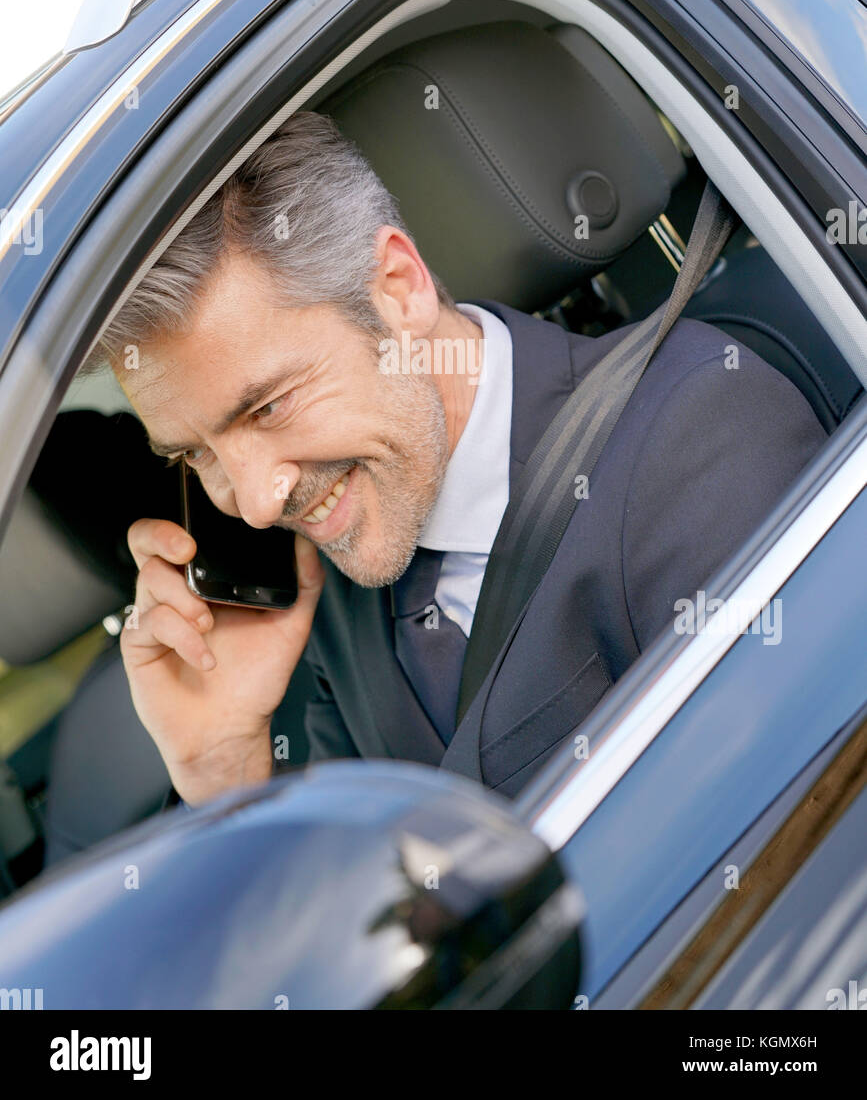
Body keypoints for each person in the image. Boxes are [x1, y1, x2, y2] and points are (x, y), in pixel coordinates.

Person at [91, 112, 825, 805]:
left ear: (398, 292)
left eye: (267, 407)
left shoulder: (693, 435)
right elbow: (370, 910)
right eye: (194, 453)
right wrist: (226, 773)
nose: (252, 503)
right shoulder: (329, 598)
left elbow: (800, 834)